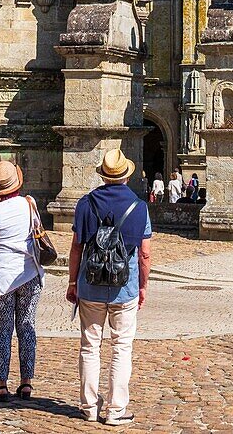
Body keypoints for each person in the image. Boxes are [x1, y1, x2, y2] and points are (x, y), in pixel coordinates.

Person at [67, 148, 152, 425]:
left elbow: (76, 247)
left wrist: (72, 281)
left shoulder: (85, 203)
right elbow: (145, 254)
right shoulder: (139, 207)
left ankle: (89, 407)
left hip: (89, 285)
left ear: (103, 176)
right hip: (123, 286)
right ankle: (116, 411)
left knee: (90, 346)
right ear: (126, 176)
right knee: (121, 347)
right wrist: (142, 285)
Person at [0, 160, 44, 403]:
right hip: (29, 273)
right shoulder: (30, 203)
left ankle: (1, 384)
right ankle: (26, 383)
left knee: (3, 330)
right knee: (27, 326)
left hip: (2, 277)